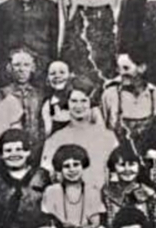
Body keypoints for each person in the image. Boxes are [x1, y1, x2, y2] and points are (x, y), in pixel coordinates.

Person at [41, 78, 118, 212]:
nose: (79, 106)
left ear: (91, 104)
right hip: (68, 206)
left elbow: (116, 172)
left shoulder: (108, 137)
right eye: (74, 101)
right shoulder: (55, 139)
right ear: (67, 104)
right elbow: (49, 175)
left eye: (84, 101)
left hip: (103, 203)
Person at [0, 129, 50, 228]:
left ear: (28, 152)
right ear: (1, 154)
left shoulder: (41, 176)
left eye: (19, 149)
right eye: (8, 151)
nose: (14, 154)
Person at [99, 54, 156, 152]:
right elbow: (103, 131)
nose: (122, 73)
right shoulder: (110, 95)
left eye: (126, 68)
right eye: (119, 69)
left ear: (142, 68)